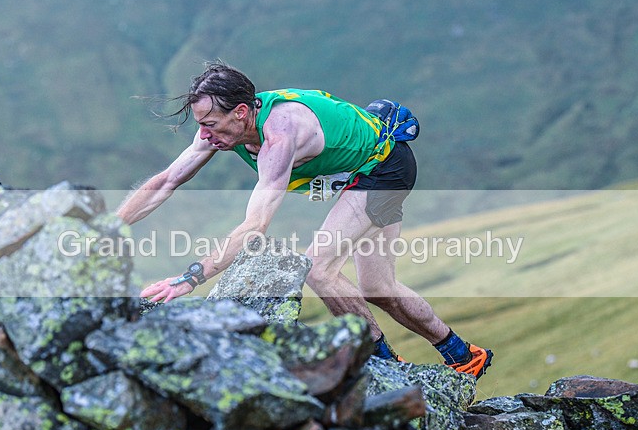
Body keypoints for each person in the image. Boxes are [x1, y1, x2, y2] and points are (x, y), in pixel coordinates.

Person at [116, 61, 493, 378]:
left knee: (317, 268)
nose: (203, 134)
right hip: (361, 170)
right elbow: (167, 180)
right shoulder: (221, 129)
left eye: (210, 123)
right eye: (201, 123)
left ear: (241, 112)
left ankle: (384, 367)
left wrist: (191, 278)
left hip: (383, 169)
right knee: (379, 288)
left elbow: (255, 226)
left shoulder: (280, 136)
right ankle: (464, 355)